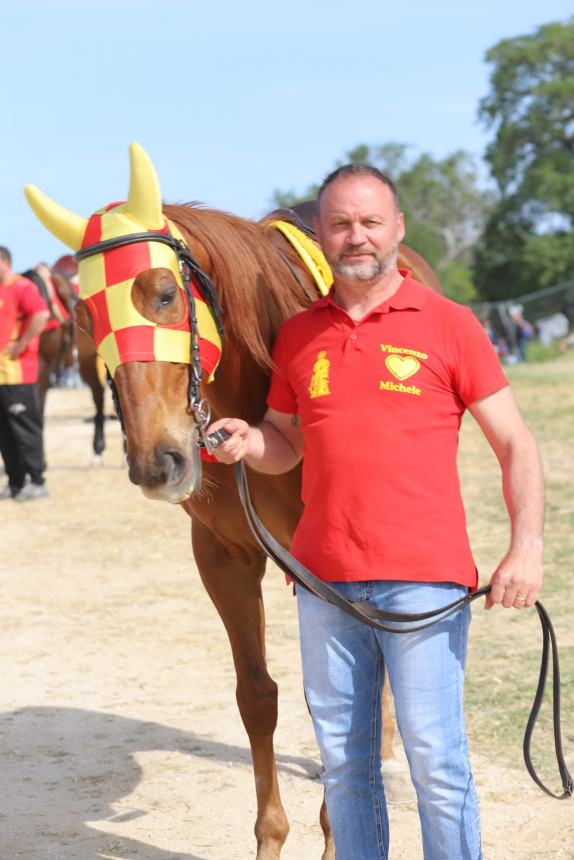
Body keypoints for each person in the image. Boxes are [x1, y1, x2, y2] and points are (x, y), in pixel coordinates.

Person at [207, 165, 544, 860]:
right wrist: (248, 442)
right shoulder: (298, 336)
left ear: (396, 230)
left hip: (424, 579)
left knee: (435, 763)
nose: (354, 236)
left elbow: (515, 443)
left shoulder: (449, 324)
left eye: (368, 222)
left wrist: (527, 546)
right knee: (345, 764)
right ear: (322, 236)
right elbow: (286, 442)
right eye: (339, 224)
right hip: (323, 582)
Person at [0, 246, 50, 500]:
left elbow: (41, 314)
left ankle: (37, 481)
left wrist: (21, 344)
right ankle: (16, 482)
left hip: (19, 373)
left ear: (5, 262)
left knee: (25, 429)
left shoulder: (23, 287)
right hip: (0, 375)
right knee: (5, 433)